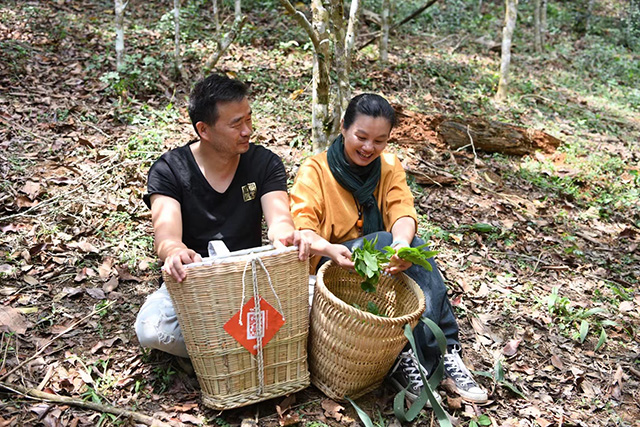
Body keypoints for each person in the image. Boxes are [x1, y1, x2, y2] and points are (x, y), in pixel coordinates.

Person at [289, 93, 487, 403]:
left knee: (416, 251)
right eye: (362, 137)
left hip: (377, 268)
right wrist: (330, 249)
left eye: (380, 140)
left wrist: (401, 245)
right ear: (343, 128)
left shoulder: (389, 166)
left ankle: (433, 357)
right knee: (386, 241)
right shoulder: (315, 171)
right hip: (330, 269)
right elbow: (303, 230)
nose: (369, 148)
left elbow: (402, 212)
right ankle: (429, 352)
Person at [135, 73, 310, 358]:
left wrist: (286, 237)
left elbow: (279, 221)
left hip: (252, 279)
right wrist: (177, 252)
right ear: (204, 130)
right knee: (151, 330)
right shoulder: (169, 170)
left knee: (320, 303)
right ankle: (252, 342)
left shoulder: (264, 163)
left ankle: (220, 344)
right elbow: (166, 239)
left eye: (249, 119)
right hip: (195, 284)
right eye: (236, 124)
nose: (247, 131)